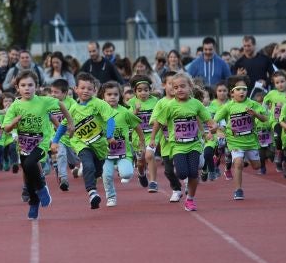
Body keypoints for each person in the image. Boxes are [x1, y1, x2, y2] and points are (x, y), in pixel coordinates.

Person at [2, 70, 70, 219]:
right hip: (24, 144)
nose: (27, 88)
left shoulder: (44, 101)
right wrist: (14, 122)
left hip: (42, 142)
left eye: (30, 85)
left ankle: (42, 188)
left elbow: (61, 105)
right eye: (23, 85)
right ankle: (34, 203)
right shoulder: (15, 106)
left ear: (36, 86)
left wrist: (70, 123)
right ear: (17, 88)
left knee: (30, 165)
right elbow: (6, 128)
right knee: (27, 173)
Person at [151, 73, 214, 211]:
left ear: (190, 87)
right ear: (172, 90)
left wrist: (213, 128)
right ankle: (183, 171)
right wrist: (152, 138)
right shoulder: (169, 106)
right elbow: (159, 122)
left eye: (183, 86)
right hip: (177, 145)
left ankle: (190, 200)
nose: (179, 89)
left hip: (194, 144)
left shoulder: (196, 104)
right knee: (182, 173)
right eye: (176, 87)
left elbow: (208, 120)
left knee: (193, 173)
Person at [52, 72, 114, 209]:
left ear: (94, 90)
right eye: (82, 88)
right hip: (81, 143)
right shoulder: (73, 108)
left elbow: (110, 119)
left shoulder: (99, 104)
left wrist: (109, 135)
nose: (86, 91)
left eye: (89, 89)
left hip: (100, 144)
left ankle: (83, 173)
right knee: (88, 165)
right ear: (76, 89)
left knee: (97, 171)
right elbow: (63, 125)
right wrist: (55, 141)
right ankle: (92, 193)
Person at [212, 76, 268, 201]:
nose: (242, 92)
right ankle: (238, 190)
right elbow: (214, 120)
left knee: (257, 166)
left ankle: (247, 158)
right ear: (232, 92)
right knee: (238, 163)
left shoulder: (253, 104)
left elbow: (265, 118)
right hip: (234, 141)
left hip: (251, 141)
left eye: (244, 89)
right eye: (238, 89)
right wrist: (217, 130)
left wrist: (255, 114)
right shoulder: (228, 107)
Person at [99, 81, 146, 208]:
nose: (112, 97)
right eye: (109, 94)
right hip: (105, 153)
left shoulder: (125, 112)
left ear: (120, 96)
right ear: (103, 96)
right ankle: (111, 197)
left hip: (123, 153)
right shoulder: (98, 113)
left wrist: (142, 142)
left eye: (115, 94)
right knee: (107, 176)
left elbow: (137, 127)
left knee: (126, 174)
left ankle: (127, 165)